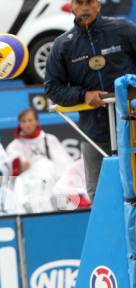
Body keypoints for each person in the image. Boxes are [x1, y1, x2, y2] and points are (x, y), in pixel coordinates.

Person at [44, 0, 136, 200]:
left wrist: (131, 91)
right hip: (94, 132)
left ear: (98, 5)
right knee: (99, 194)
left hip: (132, 123)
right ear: (72, 7)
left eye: (89, 2)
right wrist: (83, 95)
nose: (84, 7)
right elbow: (52, 87)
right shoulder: (63, 45)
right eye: (79, 2)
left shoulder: (124, 29)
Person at [6, 108, 73, 178]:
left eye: (30, 120)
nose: (27, 124)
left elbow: (65, 164)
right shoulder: (14, 146)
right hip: (27, 183)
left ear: (36, 121)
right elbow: (11, 169)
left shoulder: (49, 139)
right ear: (19, 124)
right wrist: (19, 167)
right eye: (23, 121)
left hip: (51, 181)